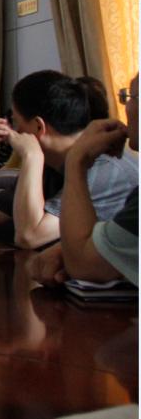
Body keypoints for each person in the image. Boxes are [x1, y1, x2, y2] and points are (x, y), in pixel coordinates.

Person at [0, 70, 138, 249]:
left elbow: (29, 237)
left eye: (15, 122)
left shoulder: (104, 167)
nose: (13, 132)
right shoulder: (49, 164)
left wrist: (32, 157)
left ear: (38, 127)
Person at [30, 74, 139, 286]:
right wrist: (88, 249)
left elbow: (84, 266)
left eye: (130, 97)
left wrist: (76, 161)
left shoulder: (111, 167)